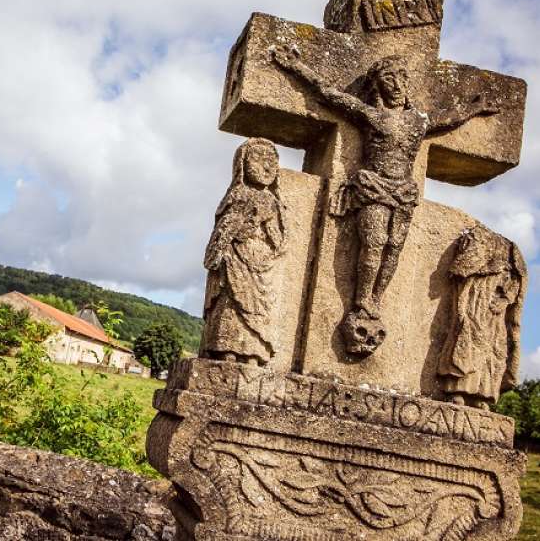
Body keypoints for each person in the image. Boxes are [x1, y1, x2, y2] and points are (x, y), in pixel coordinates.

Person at [269, 46, 497, 328]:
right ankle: (362, 299)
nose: (396, 84)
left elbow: (449, 118)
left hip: (403, 192)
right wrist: (296, 67)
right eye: (388, 79)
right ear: (379, 86)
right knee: (373, 244)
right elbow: (330, 95)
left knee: (393, 248)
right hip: (373, 186)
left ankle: (376, 298)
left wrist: (475, 107)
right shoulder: (371, 115)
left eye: (401, 78)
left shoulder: (418, 121)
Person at [200, 137, 286, 366]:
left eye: (272, 162)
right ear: (242, 164)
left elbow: (278, 239)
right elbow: (225, 233)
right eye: (258, 160)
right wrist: (252, 218)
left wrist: (274, 240)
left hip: (263, 263)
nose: (267, 167)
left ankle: (254, 353)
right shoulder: (238, 195)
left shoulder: (274, 201)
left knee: (259, 312)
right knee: (232, 306)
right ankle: (226, 349)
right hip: (237, 259)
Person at [438, 225, 525, 409]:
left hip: (496, 313)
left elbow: (516, 284)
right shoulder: (477, 242)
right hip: (476, 304)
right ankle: (458, 390)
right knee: (469, 342)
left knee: (494, 351)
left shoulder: (512, 257)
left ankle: (484, 395)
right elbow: (461, 269)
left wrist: (505, 299)